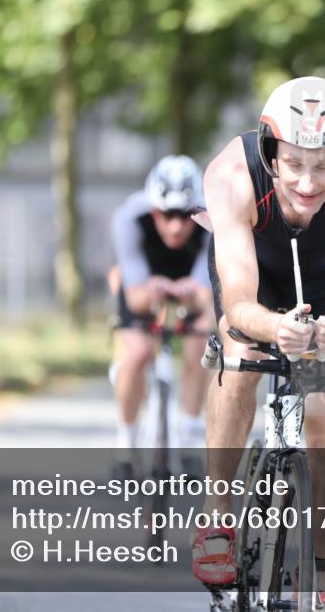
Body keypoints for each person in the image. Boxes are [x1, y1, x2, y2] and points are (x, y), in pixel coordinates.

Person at [191, 76, 325, 610]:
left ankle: (321, 563)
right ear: (270, 153)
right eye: (294, 164)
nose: (308, 182)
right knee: (238, 356)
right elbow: (239, 306)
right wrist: (273, 329)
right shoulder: (231, 175)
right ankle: (218, 518)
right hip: (255, 280)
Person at [108, 155, 215, 481]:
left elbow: (205, 295)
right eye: (167, 215)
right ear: (153, 210)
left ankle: (189, 436)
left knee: (202, 342)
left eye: (185, 216)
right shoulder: (129, 218)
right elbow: (135, 298)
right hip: (144, 281)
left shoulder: (212, 220)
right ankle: (126, 442)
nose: (176, 226)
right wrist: (154, 289)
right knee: (137, 354)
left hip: (190, 281)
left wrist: (191, 294)